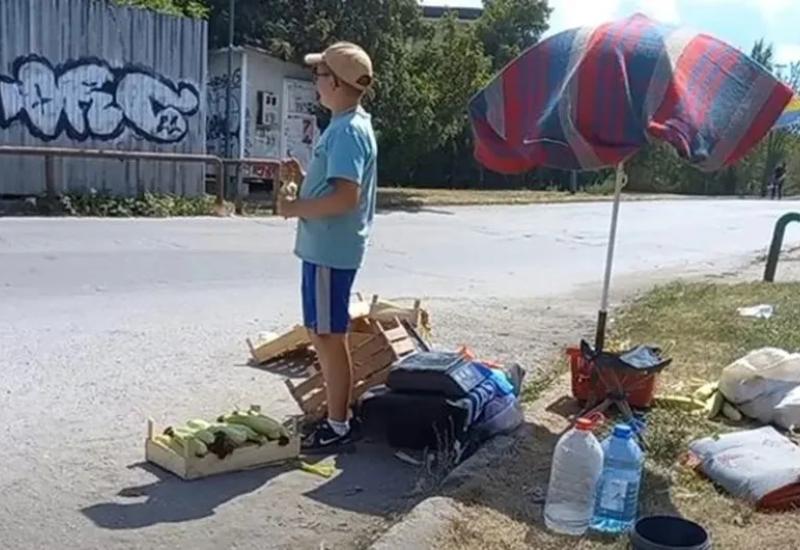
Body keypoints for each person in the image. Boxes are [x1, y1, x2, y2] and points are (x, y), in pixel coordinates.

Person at [277, 42, 377, 453]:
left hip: (328, 252)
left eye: (319, 75)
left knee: (327, 337)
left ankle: (338, 424)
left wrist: (294, 206)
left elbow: (345, 197)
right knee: (326, 335)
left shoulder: (348, 131)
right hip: (327, 250)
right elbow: (335, 186)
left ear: (335, 82)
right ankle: (339, 418)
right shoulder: (345, 126)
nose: (314, 81)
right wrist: (304, 177)